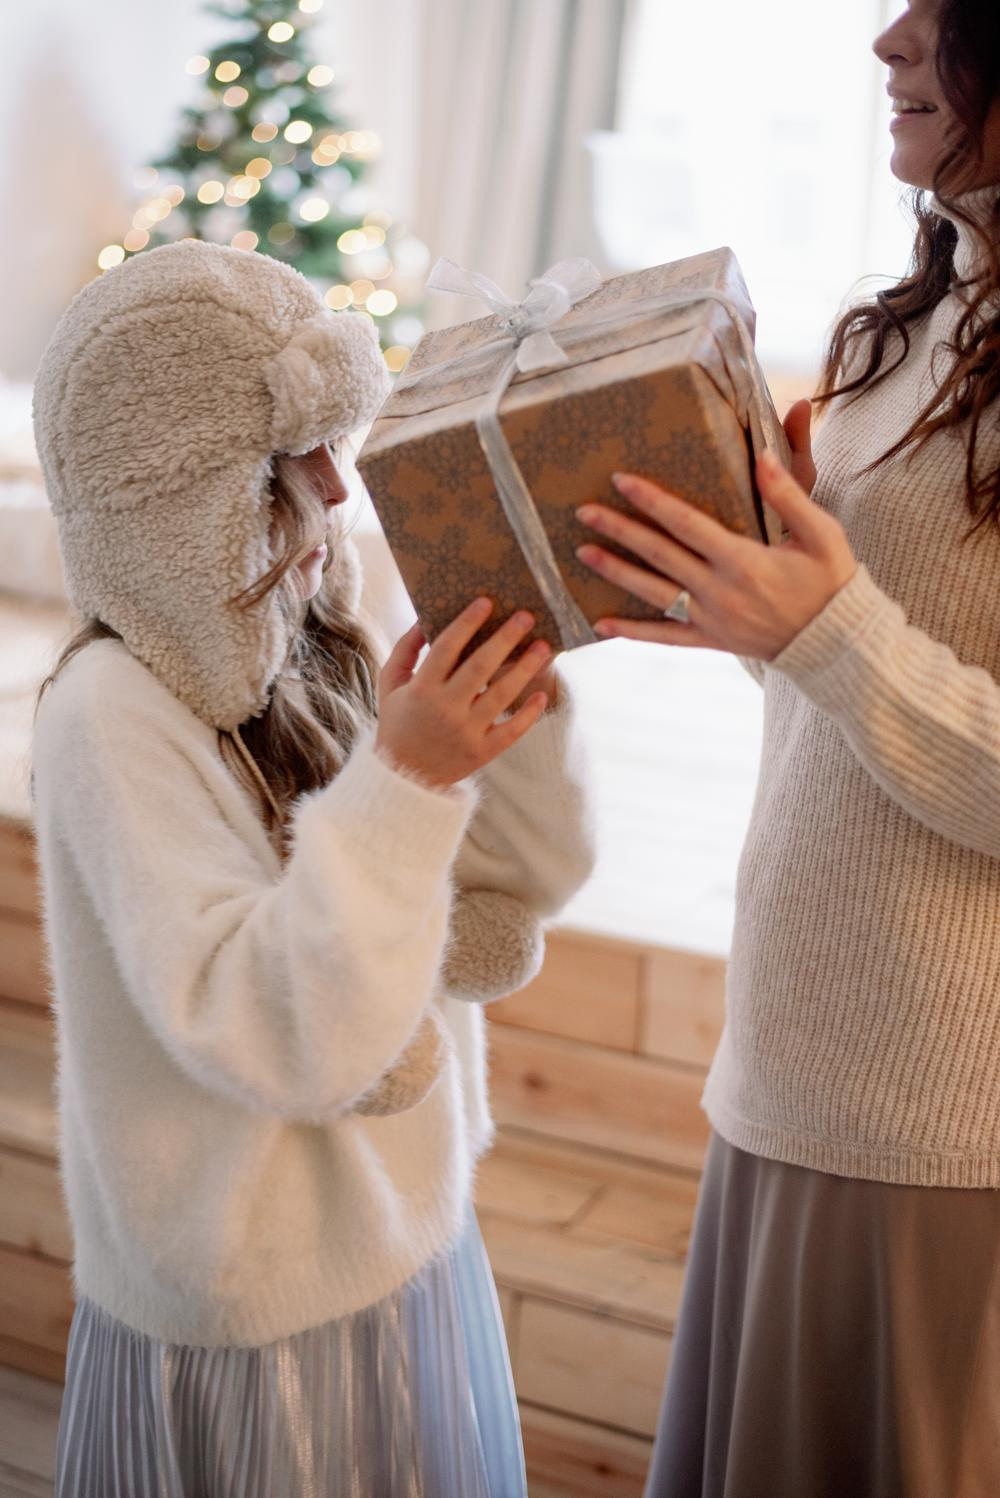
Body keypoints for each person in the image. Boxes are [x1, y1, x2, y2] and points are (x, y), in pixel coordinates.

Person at [31, 239, 595, 1497]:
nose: (338, 490)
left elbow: (505, 896)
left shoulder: (317, 633)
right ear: (174, 491)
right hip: (254, 1304)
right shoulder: (111, 717)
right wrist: (405, 780)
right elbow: (277, 1030)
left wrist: (518, 713)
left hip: (408, 1245)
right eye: (296, 458)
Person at [575, 0, 1000, 1493]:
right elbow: (880, 667)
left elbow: (874, 655)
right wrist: (765, 628)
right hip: (796, 1057)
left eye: (941, 10)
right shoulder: (914, 322)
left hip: (951, 1130)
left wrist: (822, 632)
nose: (890, 38)